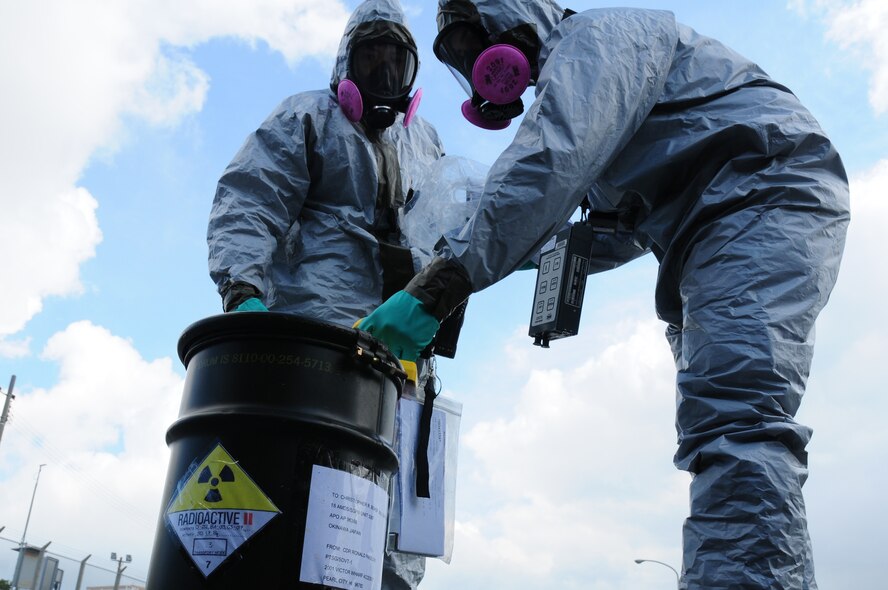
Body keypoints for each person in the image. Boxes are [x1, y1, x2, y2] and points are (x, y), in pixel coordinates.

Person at [358, 2, 850, 588]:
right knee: (718, 421)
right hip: (714, 227)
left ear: (509, 14)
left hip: (760, 195)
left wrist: (440, 284)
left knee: (735, 420)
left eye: (470, 45)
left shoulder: (596, 40)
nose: (474, 67)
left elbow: (549, 162)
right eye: (459, 60)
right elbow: (608, 233)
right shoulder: (588, 86)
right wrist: (507, 249)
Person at [207, 1, 443, 588]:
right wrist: (244, 292)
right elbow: (250, 200)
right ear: (346, 64)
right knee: (306, 503)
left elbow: (452, 226)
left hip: (405, 361)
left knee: (391, 515)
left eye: (397, 61)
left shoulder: (427, 143)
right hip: (317, 349)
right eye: (371, 57)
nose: (385, 72)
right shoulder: (307, 116)